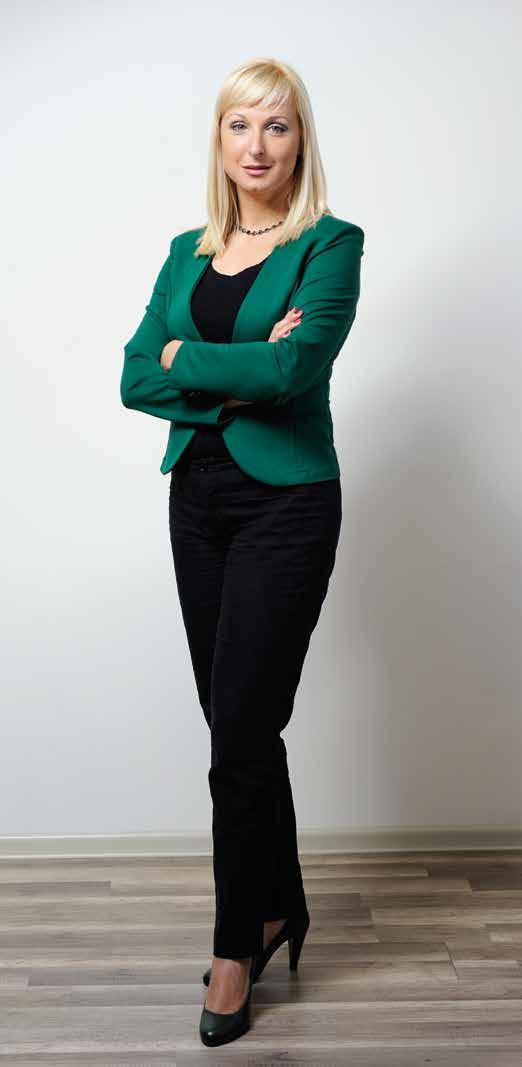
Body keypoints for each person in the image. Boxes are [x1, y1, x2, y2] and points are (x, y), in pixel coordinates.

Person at [120, 56, 364, 1048]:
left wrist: (191, 360)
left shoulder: (330, 244)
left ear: (300, 141)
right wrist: (229, 371)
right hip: (198, 500)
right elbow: (134, 374)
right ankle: (277, 906)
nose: (257, 146)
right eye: (239, 126)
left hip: (288, 505)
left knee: (240, 734)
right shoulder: (186, 252)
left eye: (277, 126)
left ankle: (234, 949)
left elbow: (296, 366)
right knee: (237, 722)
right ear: (219, 141)